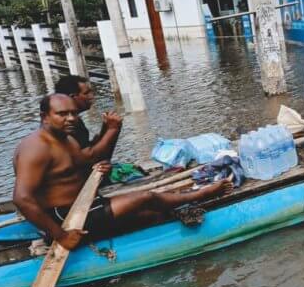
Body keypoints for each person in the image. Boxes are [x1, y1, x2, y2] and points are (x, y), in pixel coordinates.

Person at [13, 94, 231, 249]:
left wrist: (99, 163)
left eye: (73, 113)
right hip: (66, 218)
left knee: (151, 215)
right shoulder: (36, 147)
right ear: (44, 117)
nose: (70, 118)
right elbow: (22, 199)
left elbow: (88, 160)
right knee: (145, 198)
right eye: (62, 114)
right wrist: (61, 235)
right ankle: (202, 194)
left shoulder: (65, 138)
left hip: (87, 205)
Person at [54, 74, 121, 161]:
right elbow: (87, 159)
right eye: (86, 93)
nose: (91, 97)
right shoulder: (67, 124)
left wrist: (106, 127)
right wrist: (112, 129)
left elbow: (88, 149)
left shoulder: (75, 120)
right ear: (72, 97)